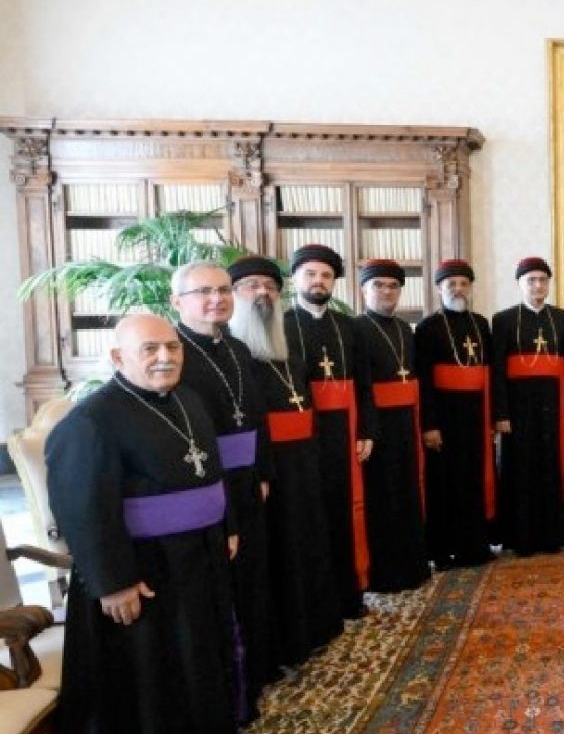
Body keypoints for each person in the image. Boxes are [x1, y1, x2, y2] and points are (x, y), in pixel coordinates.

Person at [47, 314, 237, 734]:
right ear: (118, 357)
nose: (165, 357)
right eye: (149, 349)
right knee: (153, 678)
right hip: (143, 571)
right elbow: (81, 509)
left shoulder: (188, 400)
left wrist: (226, 526)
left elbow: (212, 472)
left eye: (173, 347)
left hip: (200, 555)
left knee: (202, 658)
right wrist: (113, 582)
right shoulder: (90, 421)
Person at [171, 261, 275, 719]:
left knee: (252, 574)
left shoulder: (236, 347)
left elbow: (257, 416)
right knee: (222, 584)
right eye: (204, 292)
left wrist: (263, 469)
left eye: (223, 290)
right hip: (206, 485)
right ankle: (229, 681)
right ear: (178, 301)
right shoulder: (174, 355)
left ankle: (257, 667)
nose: (216, 299)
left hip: (247, 478)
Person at [227, 256, 343, 666]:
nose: (263, 293)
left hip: (303, 461)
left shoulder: (286, 343)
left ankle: (314, 626)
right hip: (267, 468)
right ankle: (286, 638)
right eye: (252, 285)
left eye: (270, 286)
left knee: (307, 541)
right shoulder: (232, 351)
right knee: (280, 551)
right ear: (234, 293)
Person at [284, 244, 375, 619]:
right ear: (295, 279)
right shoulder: (281, 325)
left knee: (343, 514)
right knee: (310, 517)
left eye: (326, 275)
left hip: (344, 434)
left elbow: (364, 383)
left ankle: (349, 595)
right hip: (301, 438)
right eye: (310, 274)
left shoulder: (349, 326)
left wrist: (366, 430)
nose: (318, 281)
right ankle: (315, 603)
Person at [490, 256, 564, 556]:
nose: (538, 285)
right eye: (531, 280)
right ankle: (522, 537)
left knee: (552, 466)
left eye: (543, 280)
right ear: (520, 284)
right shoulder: (503, 320)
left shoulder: (561, 318)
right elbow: (497, 372)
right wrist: (500, 413)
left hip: (554, 405)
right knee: (521, 468)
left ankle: (554, 533)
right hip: (518, 408)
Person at [355, 259, 431, 591]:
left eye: (393, 286)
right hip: (377, 428)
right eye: (379, 285)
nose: (387, 292)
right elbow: (360, 387)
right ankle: (385, 573)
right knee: (381, 498)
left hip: (406, 424)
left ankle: (412, 565)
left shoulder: (405, 329)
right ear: (364, 290)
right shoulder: (356, 329)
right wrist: (367, 430)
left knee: (408, 493)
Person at [416, 259, 496, 568]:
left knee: (473, 481)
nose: (458, 289)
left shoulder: (481, 323)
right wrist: (430, 424)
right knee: (444, 484)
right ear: (440, 288)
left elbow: (489, 373)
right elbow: (423, 380)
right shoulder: (428, 327)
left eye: (464, 284)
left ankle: (474, 545)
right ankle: (443, 550)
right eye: (452, 284)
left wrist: (491, 417)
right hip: (444, 417)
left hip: (476, 416)